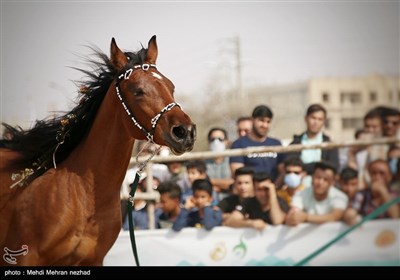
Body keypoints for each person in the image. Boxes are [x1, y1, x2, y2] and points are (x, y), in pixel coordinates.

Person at [229, 105, 285, 183]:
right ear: (252, 120)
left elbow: (282, 172)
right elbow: (237, 172)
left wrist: (274, 188)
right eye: (261, 120)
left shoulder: (276, 144)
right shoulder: (239, 144)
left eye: (268, 122)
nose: (264, 125)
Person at [286, 161, 348, 226]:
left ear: (332, 182)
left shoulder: (340, 197)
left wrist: (306, 217)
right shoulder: (300, 195)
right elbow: (293, 215)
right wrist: (293, 217)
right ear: (312, 178)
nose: (320, 182)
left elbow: (334, 217)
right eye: (318, 178)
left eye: (325, 179)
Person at [224, 172, 288, 230]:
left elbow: (277, 221)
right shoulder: (249, 202)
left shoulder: (280, 201)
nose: (263, 193)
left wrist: (272, 194)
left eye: (266, 189)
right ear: (254, 190)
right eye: (259, 190)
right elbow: (230, 221)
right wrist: (250, 223)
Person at [288, 103, 339, 175]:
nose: (316, 122)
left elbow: (334, 167)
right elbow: (292, 167)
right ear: (306, 119)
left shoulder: (329, 145)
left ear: (324, 122)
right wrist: (319, 164)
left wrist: (304, 167)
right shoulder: (295, 143)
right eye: (313, 118)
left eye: (320, 119)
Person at [205, 127, 234, 201]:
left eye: (220, 139)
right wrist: (225, 184)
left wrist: (210, 181)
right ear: (208, 142)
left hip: (231, 202)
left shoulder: (233, 159)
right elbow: (203, 185)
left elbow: (234, 184)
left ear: (226, 141)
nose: (216, 142)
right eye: (212, 139)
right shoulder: (204, 163)